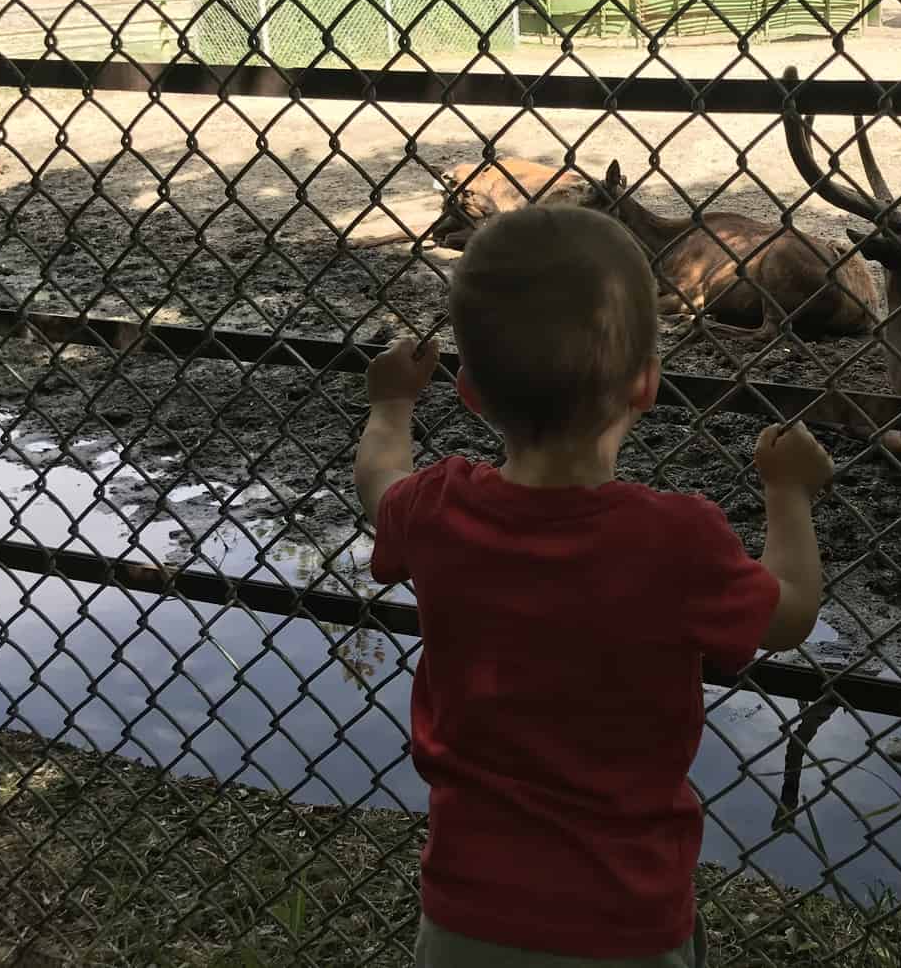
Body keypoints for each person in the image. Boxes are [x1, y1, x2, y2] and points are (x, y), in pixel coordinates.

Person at [356, 203, 832, 968]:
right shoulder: (676, 538)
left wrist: (391, 402)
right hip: (625, 919)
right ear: (645, 384)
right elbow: (790, 614)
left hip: (465, 913)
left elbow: (380, 480)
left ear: (471, 391)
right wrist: (788, 492)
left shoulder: (436, 507)